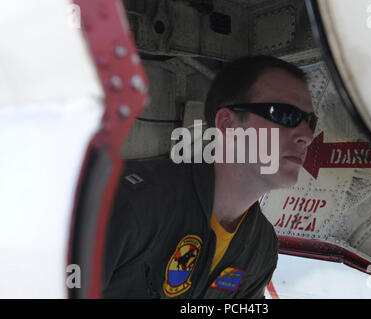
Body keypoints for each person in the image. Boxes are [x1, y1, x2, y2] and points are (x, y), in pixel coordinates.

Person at [102, 55, 316, 298]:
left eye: (310, 121)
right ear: (227, 124)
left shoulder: (262, 249)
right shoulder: (130, 204)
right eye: (285, 115)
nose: (306, 136)